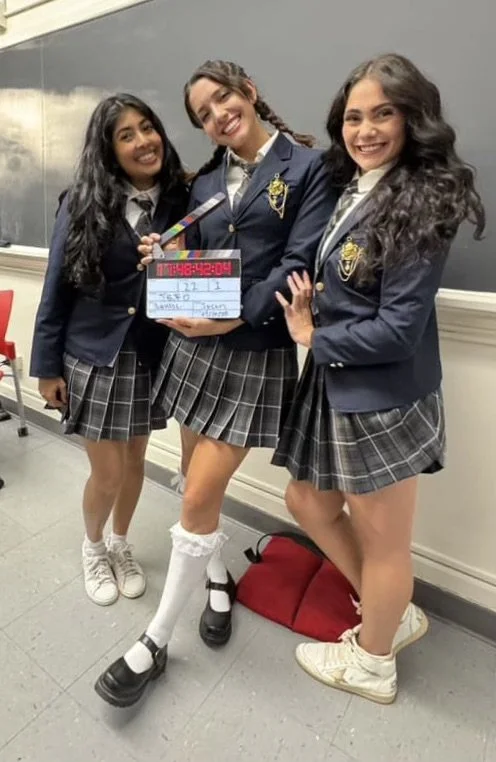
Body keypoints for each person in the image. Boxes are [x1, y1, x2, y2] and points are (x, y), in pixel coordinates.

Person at [94, 59, 336, 707]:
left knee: (199, 492)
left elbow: (298, 263)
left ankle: (155, 641)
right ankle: (219, 576)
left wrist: (231, 316)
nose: (217, 116)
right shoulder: (203, 180)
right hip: (192, 348)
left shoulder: (308, 169)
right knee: (192, 477)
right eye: (203, 114)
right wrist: (167, 258)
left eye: (223, 99)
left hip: (254, 350)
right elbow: (197, 255)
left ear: (249, 92)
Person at [272, 53, 485, 704]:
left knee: (385, 542)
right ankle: (393, 612)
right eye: (353, 117)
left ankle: (373, 662)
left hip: (382, 396)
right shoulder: (357, 187)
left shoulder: (421, 199)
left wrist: (314, 337)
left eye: (382, 114)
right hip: (337, 383)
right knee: (307, 501)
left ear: (412, 119)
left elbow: (398, 329)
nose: (364, 130)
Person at [30, 94, 189, 607]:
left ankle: (121, 543)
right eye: (127, 135)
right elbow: (56, 287)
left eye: (148, 127)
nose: (144, 141)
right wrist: (46, 367)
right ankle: (94, 546)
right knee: (108, 471)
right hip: (94, 354)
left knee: (136, 460)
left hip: (149, 352)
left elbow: (192, 271)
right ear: (109, 149)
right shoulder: (81, 200)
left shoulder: (180, 199)